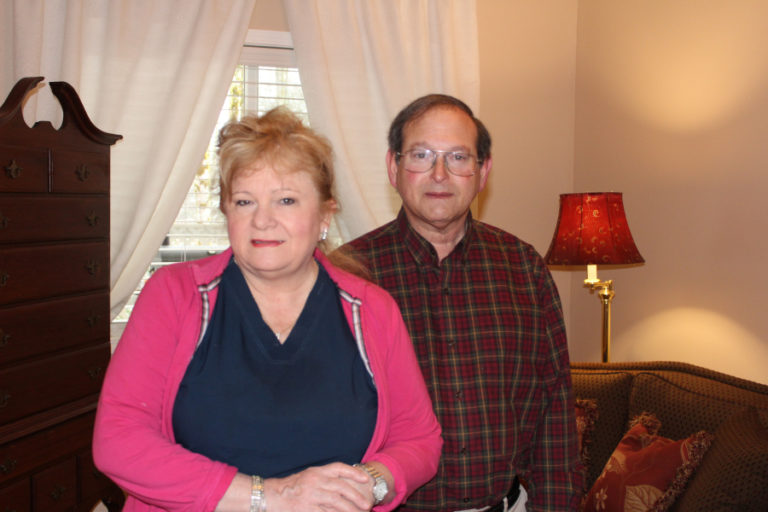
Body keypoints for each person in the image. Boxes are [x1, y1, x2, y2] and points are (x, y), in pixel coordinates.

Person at [93, 107, 442, 512]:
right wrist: (271, 497)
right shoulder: (173, 295)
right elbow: (118, 441)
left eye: (286, 200)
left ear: (325, 215)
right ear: (227, 211)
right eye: (244, 202)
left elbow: (418, 438)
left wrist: (372, 484)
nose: (262, 221)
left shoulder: (373, 310)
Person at [342, 94, 582, 511]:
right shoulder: (346, 276)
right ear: (393, 167)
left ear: (482, 171)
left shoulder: (525, 269)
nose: (439, 174)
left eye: (457, 157)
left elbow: (553, 413)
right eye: (422, 155)